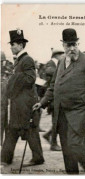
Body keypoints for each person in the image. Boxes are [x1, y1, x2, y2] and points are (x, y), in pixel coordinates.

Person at [33, 28, 85, 174]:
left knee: (75, 147)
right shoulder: (61, 62)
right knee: (66, 151)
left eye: (74, 45)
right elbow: (53, 86)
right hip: (61, 113)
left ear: (78, 44)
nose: (71, 48)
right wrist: (43, 102)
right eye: (68, 45)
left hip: (79, 113)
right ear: (63, 45)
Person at [1, 29, 44, 167]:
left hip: (25, 104)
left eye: (13, 44)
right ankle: (5, 157)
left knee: (28, 130)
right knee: (13, 129)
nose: (11, 47)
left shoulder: (27, 59)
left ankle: (37, 158)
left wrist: (13, 80)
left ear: (20, 45)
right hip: (19, 103)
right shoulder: (20, 60)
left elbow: (30, 79)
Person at [42, 48, 65, 151]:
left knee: (58, 120)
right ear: (57, 55)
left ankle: (48, 135)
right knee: (56, 121)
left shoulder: (56, 64)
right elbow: (49, 73)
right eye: (62, 55)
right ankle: (53, 143)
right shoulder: (51, 64)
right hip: (52, 98)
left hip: (56, 97)